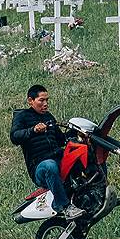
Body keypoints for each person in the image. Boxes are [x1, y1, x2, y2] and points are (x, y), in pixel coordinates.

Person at [10, 84, 85, 220]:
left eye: (47, 100)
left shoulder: (49, 117)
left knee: (84, 152)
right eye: (41, 100)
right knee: (50, 165)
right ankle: (65, 207)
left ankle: (98, 191)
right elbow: (14, 137)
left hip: (58, 159)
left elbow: (62, 139)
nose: (45, 104)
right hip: (40, 168)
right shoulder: (22, 116)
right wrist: (33, 130)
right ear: (30, 101)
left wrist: (77, 133)